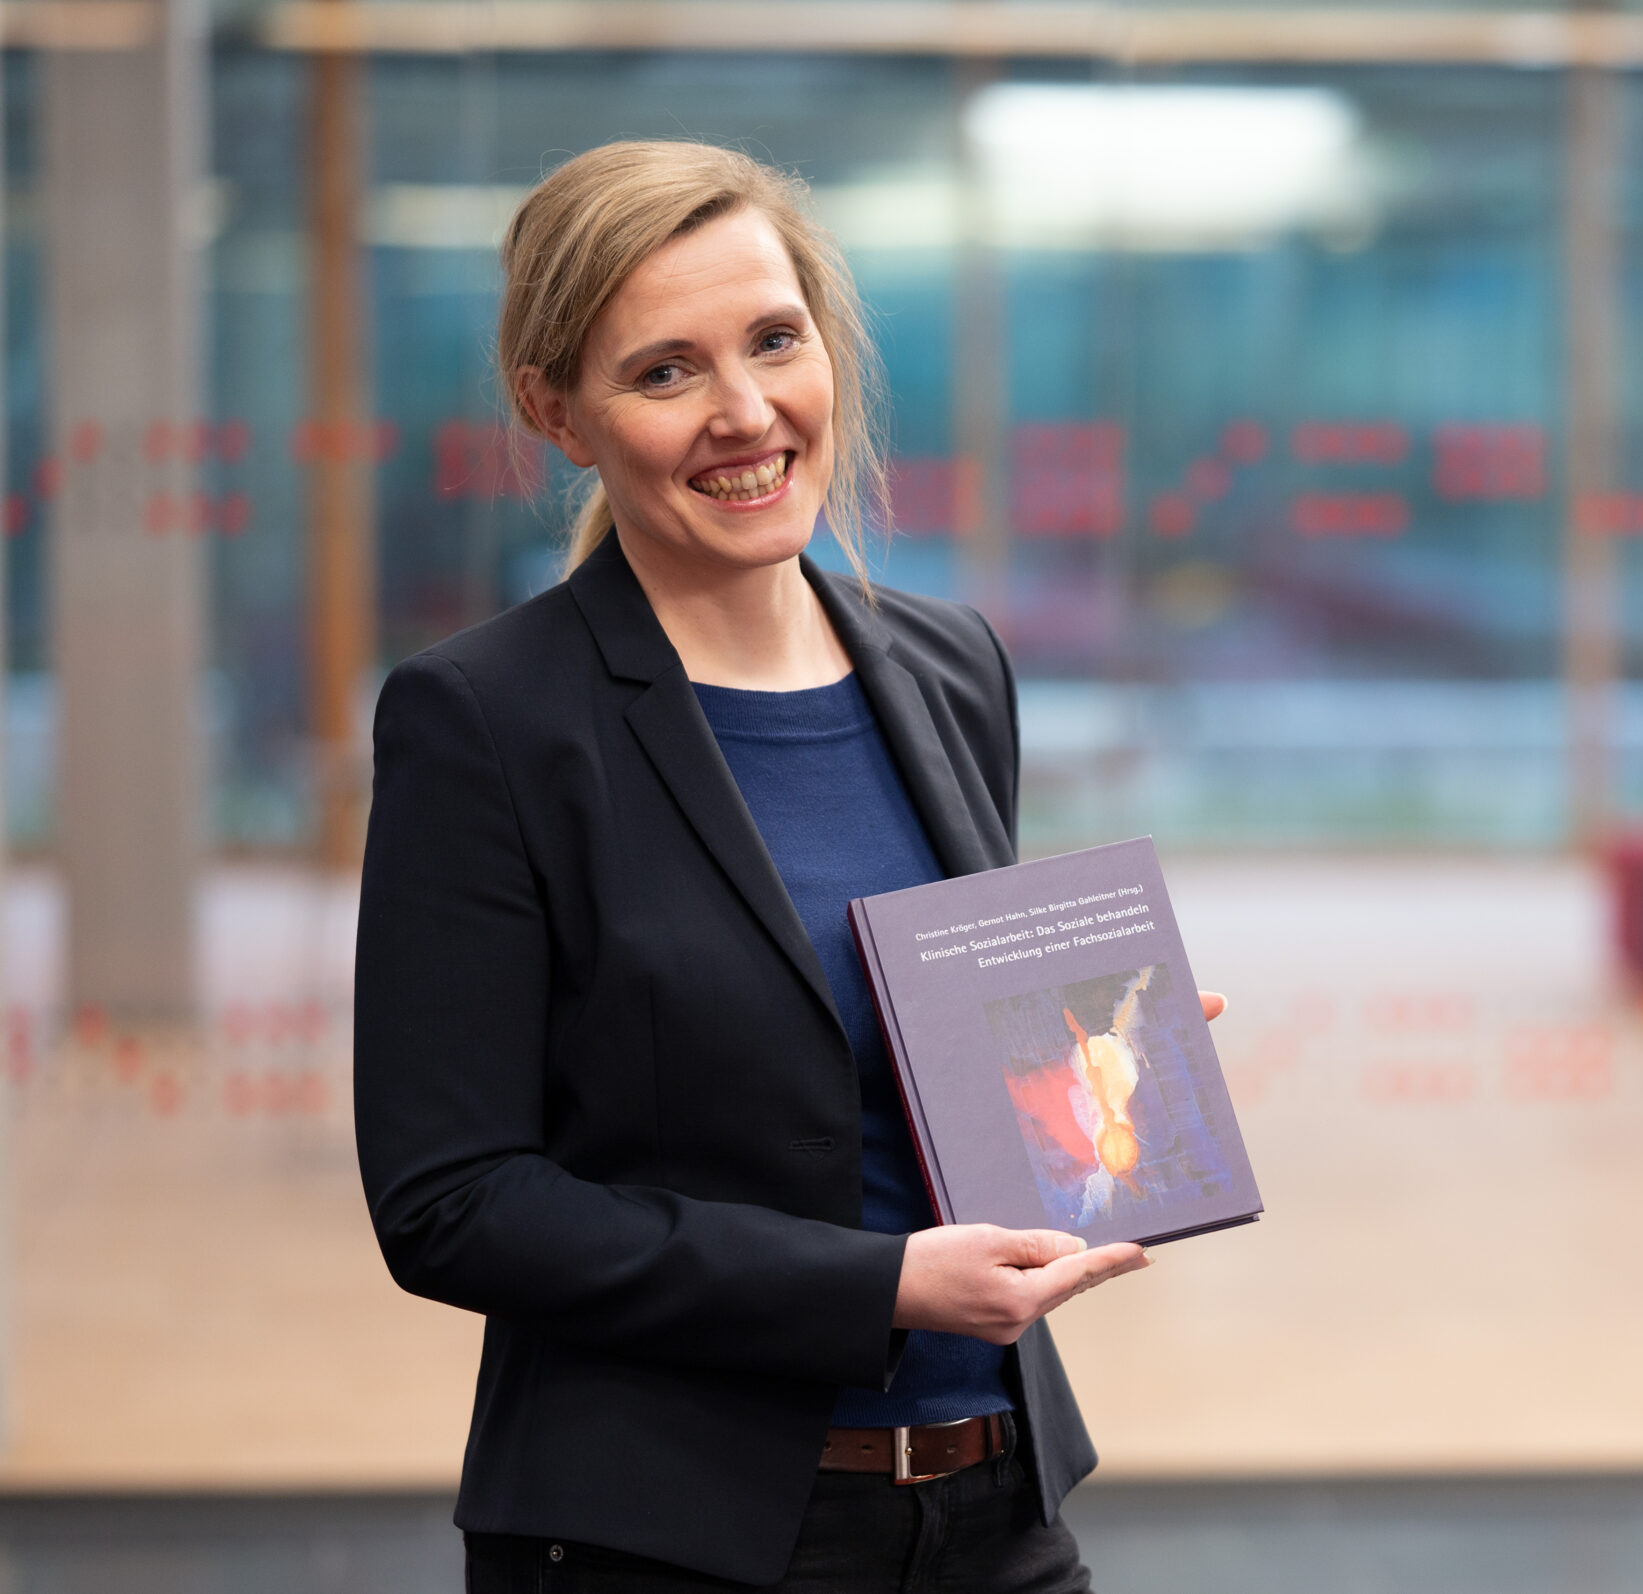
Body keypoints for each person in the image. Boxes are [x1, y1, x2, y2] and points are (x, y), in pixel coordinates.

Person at [353, 141, 1210, 1592]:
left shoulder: (950, 667)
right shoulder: (488, 721)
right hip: (671, 1538)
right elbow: (454, 1200)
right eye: (666, 370)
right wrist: (873, 1287)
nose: (746, 413)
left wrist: (1102, 1074)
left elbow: (924, 1075)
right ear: (554, 410)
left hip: (996, 1508)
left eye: (773, 339)